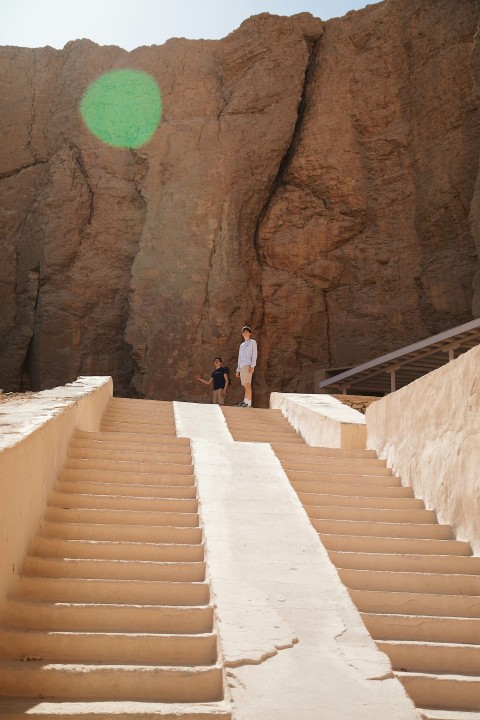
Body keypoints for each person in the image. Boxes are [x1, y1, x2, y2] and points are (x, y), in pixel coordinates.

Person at [236, 326, 257, 407]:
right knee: (245, 384)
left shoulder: (253, 342)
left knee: (248, 384)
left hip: (248, 365)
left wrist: (252, 366)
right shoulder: (242, 345)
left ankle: (248, 403)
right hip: (242, 366)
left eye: (246, 331)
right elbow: (239, 357)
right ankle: (245, 401)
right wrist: (238, 369)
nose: (245, 332)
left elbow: (254, 355)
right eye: (243, 331)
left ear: (250, 333)